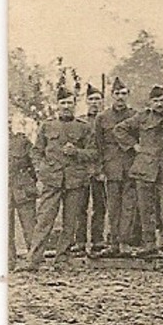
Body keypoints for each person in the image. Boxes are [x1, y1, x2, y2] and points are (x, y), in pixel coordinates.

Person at [21, 88, 99, 268]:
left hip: (74, 181)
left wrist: (77, 152)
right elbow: (36, 152)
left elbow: (94, 153)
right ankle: (34, 259)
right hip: (52, 180)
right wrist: (41, 170)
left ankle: (62, 258)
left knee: (70, 222)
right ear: (57, 105)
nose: (66, 106)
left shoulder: (84, 127)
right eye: (63, 103)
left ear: (74, 105)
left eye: (69, 103)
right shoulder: (47, 126)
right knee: (44, 220)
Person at [118, 85, 163, 255]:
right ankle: (149, 243)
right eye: (155, 100)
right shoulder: (142, 117)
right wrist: (134, 145)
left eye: (162, 99)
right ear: (150, 102)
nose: (159, 103)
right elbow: (120, 129)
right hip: (144, 167)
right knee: (145, 208)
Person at [93, 79, 139, 255]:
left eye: (124, 94)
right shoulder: (102, 118)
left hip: (130, 165)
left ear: (128, 96)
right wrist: (99, 169)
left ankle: (125, 242)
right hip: (111, 167)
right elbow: (97, 145)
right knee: (113, 206)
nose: (120, 97)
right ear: (111, 96)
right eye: (117, 94)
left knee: (129, 205)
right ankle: (113, 243)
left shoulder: (136, 115)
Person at [72, 84, 107, 253]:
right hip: (81, 170)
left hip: (100, 170)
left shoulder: (107, 119)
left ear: (102, 101)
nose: (94, 102)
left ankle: (98, 239)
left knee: (100, 206)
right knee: (80, 206)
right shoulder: (79, 121)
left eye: (97, 99)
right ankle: (79, 241)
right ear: (86, 101)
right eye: (91, 99)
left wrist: (102, 169)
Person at [8, 119, 39, 262]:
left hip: (23, 187)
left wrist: (33, 180)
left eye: (8, 122)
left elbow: (35, 161)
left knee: (30, 225)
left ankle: (34, 259)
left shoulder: (21, 141)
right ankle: (8, 260)